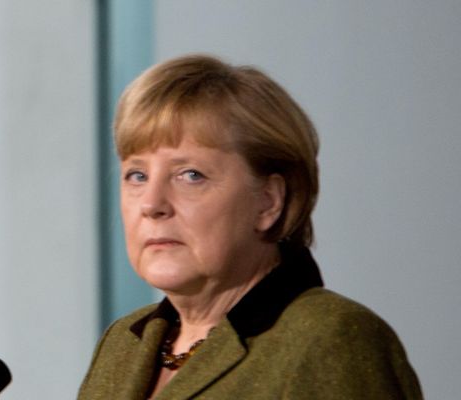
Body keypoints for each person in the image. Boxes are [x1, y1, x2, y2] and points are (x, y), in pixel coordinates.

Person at [77, 54, 422, 399]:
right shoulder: (123, 343)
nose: (152, 205)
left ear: (269, 201)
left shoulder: (331, 340)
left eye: (191, 175)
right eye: (137, 175)